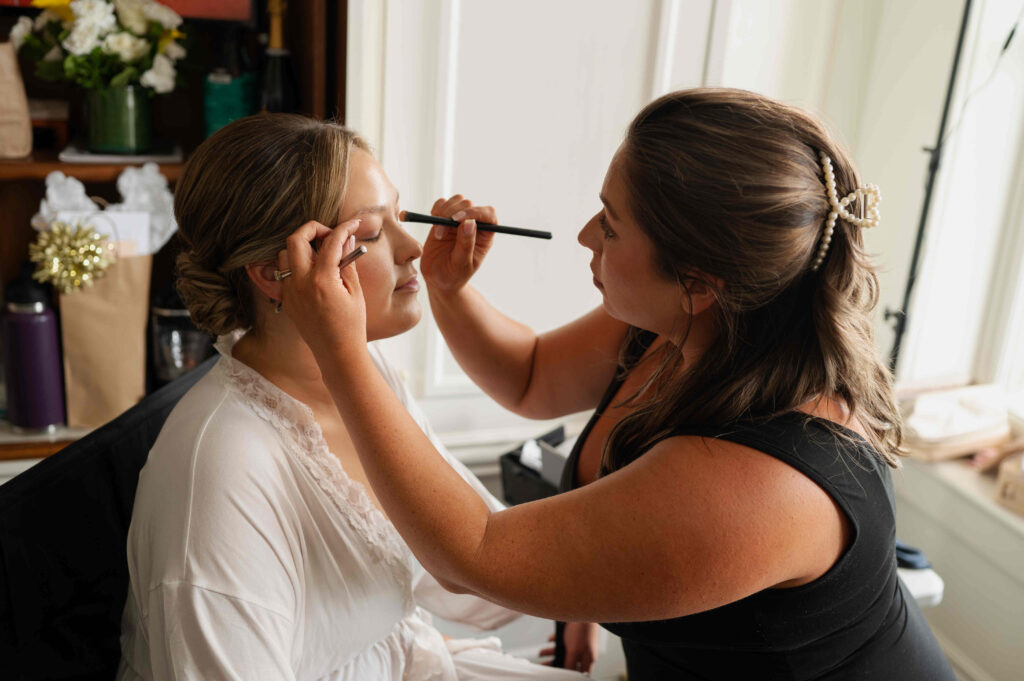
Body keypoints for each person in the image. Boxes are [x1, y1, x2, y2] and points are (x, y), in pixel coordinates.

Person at [276, 88, 959, 680]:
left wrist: (341, 351)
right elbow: (535, 376)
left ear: (699, 280)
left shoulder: (768, 481)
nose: (582, 236)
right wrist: (451, 293)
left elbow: (476, 553)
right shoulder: (688, 321)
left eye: (610, 223)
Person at [116, 114, 587, 681]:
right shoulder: (219, 477)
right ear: (274, 272)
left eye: (402, 216)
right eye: (368, 236)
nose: (413, 247)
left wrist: (579, 598)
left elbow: (467, 563)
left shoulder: (367, 372)